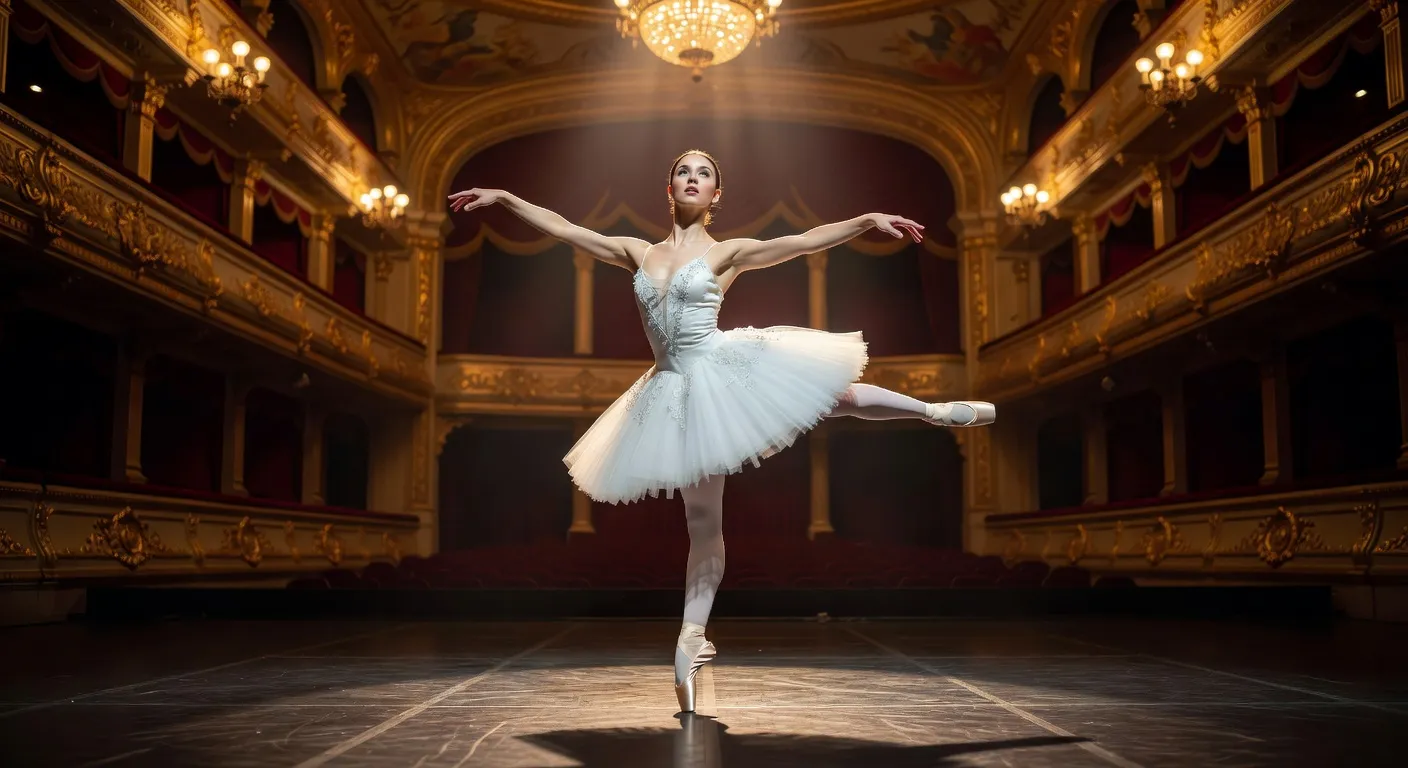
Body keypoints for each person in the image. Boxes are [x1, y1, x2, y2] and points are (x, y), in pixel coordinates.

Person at [448, 149, 995, 713]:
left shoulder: (727, 252)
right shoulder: (637, 252)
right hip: (671, 389)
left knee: (839, 396)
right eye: (683, 171)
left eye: (703, 173)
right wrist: (507, 200)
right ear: (670, 190)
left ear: (715, 196)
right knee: (703, 524)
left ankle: (936, 411)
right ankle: (689, 639)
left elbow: (803, 241)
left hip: (722, 366)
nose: (692, 178)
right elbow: (565, 229)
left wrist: (864, 222)